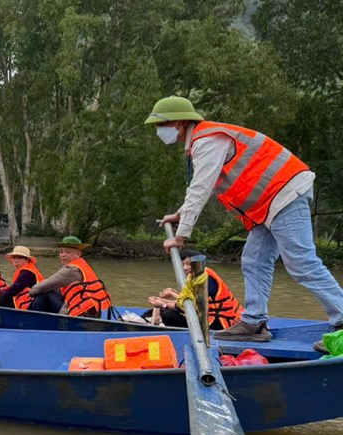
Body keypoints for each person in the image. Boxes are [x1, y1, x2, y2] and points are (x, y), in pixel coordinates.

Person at [146, 95, 343, 346]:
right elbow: (200, 187)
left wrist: (181, 235)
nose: (158, 131)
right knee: (254, 259)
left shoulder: (208, 140)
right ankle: (254, 323)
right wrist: (181, 213)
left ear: (180, 123)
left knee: (301, 262)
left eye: (161, 125)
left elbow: (201, 187)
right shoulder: (203, 141)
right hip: (268, 205)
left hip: (284, 194)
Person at [144, 248, 243, 330]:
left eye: (189, 264)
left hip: (221, 322)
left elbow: (188, 306)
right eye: (182, 264)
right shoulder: (194, 277)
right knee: (162, 310)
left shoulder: (205, 279)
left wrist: (163, 304)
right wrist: (163, 300)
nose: (185, 268)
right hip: (210, 316)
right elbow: (187, 300)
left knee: (168, 315)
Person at [28, 236, 112, 318]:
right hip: (91, 313)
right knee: (51, 290)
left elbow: (41, 287)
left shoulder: (71, 269)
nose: (63, 255)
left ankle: (27, 319)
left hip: (79, 314)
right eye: (61, 252)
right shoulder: (82, 265)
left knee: (44, 293)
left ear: (78, 254)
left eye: (67, 252)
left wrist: (31, 293)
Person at [0, 245, 62, 313]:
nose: (16, 260)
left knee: (2, 297)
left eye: (19, 257)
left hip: (34, 305)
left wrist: (1, 293)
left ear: (27, 259)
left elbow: (13, 290)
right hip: (35, 302)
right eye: (14, 258)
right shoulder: (27, 269)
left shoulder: (27, 273)